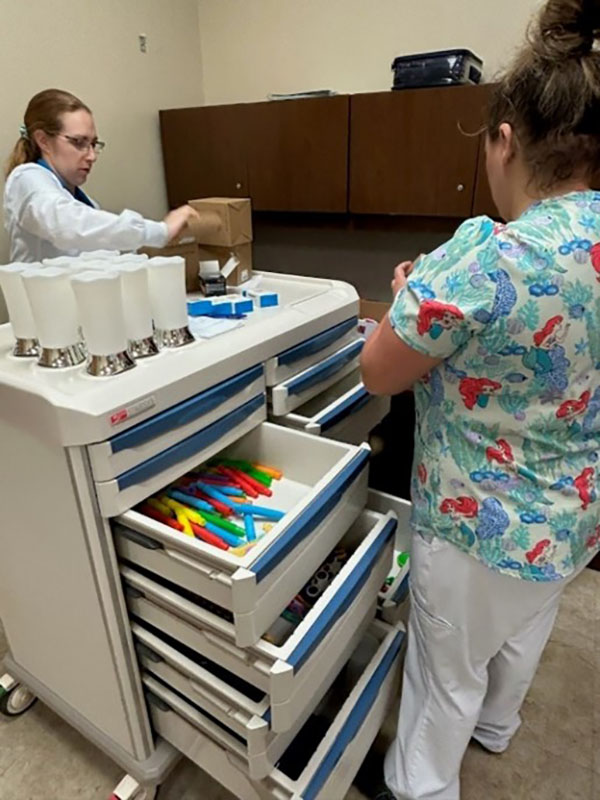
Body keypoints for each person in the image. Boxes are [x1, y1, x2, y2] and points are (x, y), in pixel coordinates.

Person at [359, 0, 600, 797]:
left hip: (475, 528)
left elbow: (379, 372)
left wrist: (411, 298)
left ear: (504, 141)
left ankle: (421, 784)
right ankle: (499, 728)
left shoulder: (486, 253)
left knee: (445, 668)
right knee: (525, 632)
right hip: (571, 518)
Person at [4, 88, 199, 262]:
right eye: (79, 142)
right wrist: (159, 231)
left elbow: (99, 247)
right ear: (43, 140)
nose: (91, 156)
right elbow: (69, 225)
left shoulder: (82, 201)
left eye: (93, 144)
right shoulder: (27, 179)